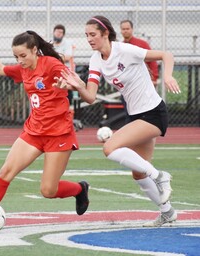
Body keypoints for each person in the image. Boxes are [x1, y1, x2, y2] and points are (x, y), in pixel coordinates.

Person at [0, 31, 89, 230]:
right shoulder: (23, 69)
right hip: (33, 132)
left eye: (23, 56)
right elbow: (0, 68)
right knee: (6, 171)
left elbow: (80, 84)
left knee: (48, 190)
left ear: (35, 50)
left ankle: (79, 189)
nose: (20, 60)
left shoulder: (51, 64)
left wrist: (69, 84)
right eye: (16, 57)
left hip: (58, 134)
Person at [53, 15, 181, 227]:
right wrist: (75, 86)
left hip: (154, 113)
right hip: (137, 115)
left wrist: (167, 76)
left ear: (105, 34)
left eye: (93, 34)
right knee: (139, 173)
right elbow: (91, 96)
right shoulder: (96, 59)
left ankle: (160, 176)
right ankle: (167, 212)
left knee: (110, 147)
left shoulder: (124, 50)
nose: (89, 39)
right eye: (86, 35)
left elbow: (166, 55)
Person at [120, 20, 159, 87]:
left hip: (142, 81)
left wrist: (154, 78)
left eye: (127, 29)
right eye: (123, 29)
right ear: (120, 30)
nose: (125, 31)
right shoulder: (120, 46)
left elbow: (152, 61)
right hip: (127, 84)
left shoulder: (142, 44)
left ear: (132, 29)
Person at [52, 24, 76, 105]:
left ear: (63, 34)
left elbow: (68, 56)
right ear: (53, 32)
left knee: (67, 93)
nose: (58, 34)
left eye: (61, 32)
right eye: (57, 32)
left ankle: (69, 107)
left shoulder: (67, 43)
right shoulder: (50, 43)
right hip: (53, 72)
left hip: (64, 72)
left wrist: (53, 59)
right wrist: (60, 57)